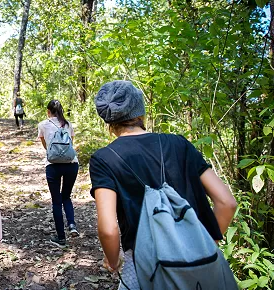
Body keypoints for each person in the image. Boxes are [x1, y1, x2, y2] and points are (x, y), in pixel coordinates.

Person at [89, 80, 237, 289]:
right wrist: (205, 245)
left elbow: (108, 229)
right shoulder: (179, 143)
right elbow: (227, 202)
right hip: (200, 261)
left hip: (143, 263)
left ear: (108, 121)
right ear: (141, 112)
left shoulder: (103, 159)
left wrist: (113, 261)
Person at [38, 100, 79, 247]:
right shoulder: (68, 124)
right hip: (72, 164)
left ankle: (61, 238)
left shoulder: (43, 125)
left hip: (53, 165)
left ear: (48, 111)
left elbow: (46, 146)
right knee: (66, 196)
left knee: (56, 201)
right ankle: (72, 224)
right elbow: (71, 144)